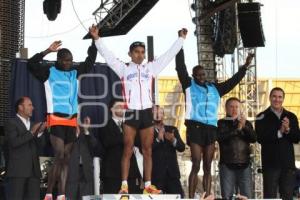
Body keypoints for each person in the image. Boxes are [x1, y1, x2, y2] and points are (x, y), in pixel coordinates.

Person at [90, 25, 188, 194]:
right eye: (136, 52)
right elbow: (108, 56)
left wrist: (180, 39)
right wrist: (97, 39)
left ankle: (148, 184)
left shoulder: (150, 68)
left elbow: (168, 56)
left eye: (142, 52)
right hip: (132, 112)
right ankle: (124, 185)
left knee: (147, 149)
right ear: (130, 54)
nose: (140, 55)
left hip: (146, 112)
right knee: (127, 148)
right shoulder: (123, 68)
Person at [27, 26, 98, 200]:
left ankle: (62, 194)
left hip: (72, 121)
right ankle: (50, 191)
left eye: (70, 60)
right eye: (65, 60)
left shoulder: (75, 73)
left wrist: (94, 40)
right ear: (58, 59)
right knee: (58, 154)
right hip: (56, 118)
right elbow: (31, 64)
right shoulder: (48, 72)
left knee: (66, 158)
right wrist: (47, 51)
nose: (68, 63)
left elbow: (90, 61)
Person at [175, 47, 254, 198]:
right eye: (197, 75)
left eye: (203, 74)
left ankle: (206, 196)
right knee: (196, 162)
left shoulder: (215, 88)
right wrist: (180, 44)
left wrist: (244, 67)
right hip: (195, 127)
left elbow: (233, 81)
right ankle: (191, 197)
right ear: (193, 76)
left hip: (211, 129)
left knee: (207, 165)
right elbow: (180, 68)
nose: (201, 77)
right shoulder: (188, 85)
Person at [255, 87, 300, 199]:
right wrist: (279, 132)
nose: (277, 99)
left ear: (283, 99)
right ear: (270, 98)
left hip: (288, 165)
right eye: (274, 96)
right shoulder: (261, 116)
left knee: (288, 196)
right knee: (270, 197)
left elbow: (296, 138)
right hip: (270, 164)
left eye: (280, 97)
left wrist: (288, 129)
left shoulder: (291, 116)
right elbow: (260, 138)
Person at [4, 96, 46, 200]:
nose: (33, 108)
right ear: (20, 107)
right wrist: (32, 133)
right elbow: (14, 142)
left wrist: (40, 133)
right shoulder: (11, 123)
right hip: (18, 171)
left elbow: (42, 146)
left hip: (34, 172)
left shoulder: (34, 124)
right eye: (30, 105)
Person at [99, 99, 142, 194]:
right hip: (112, 173)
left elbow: (139, 142)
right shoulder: (105, 126)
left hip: (131, 173)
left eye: (124, 107)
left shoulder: (132, 126)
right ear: (112, 109)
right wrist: (126, 136)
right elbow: (107, 142)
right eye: (119, 106)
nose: (122, 109)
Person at [217, 97, 256, 199]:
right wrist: (237, 129)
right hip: (227, 164)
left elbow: (253, 138)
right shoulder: (221, 123)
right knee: (227, 196)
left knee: (247, 196)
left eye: (236, 107)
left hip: (244, 164)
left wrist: (244, 127)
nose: (234, 109)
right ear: (226, 109)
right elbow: (220, 138)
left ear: (240, 108)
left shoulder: (246, 123)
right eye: (231, 107)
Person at [152, 105, 185, 198]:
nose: (158, 115)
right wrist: (158, 139)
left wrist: (173, 140)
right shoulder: (147, 131)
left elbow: (182, 147)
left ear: (163, 115)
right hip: (156, 175)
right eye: (155, 112)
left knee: (178, 197)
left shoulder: (172, 129)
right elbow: (145, 150)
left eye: (160, 112)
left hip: (172, 174)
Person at [66, 116, 100, 200]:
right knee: (71, 195)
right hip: (71, 171)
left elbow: (94, 144)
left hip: (86, 171)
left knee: (86, 196)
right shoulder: (65, 129)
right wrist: (76, 135)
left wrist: (86, 130)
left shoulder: (84, 130)